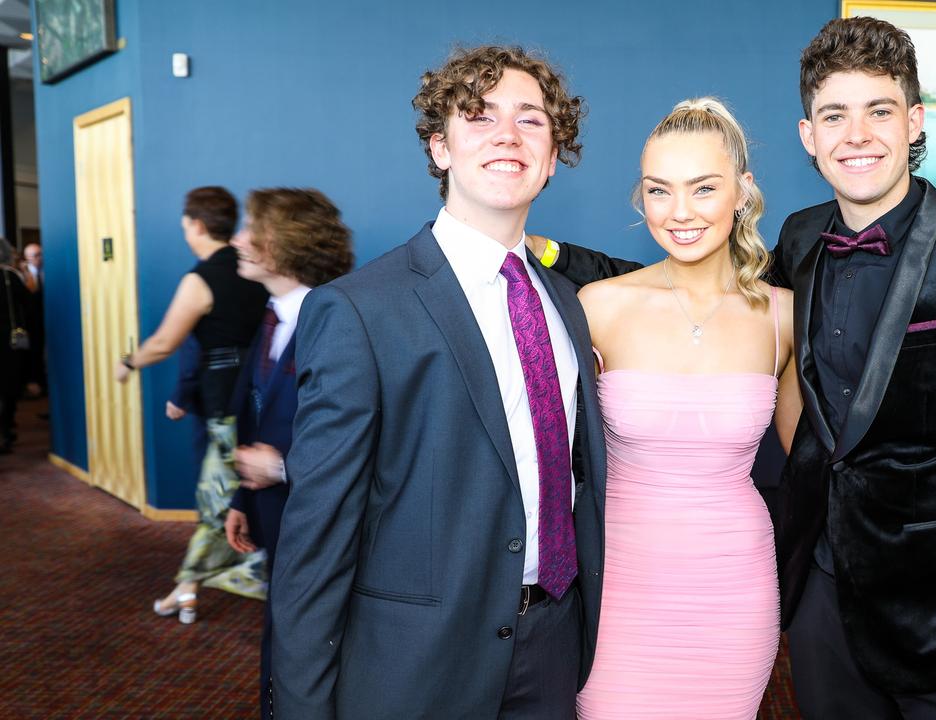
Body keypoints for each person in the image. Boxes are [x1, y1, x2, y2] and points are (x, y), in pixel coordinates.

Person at [541, 16, 936, 718]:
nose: (855, 135)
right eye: (834, 115)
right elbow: (691, 272)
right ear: (809, 136)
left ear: (914, 123)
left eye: (878, 111)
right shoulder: (801, 241)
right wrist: (543, 250)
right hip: (821, 601)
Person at [269, 45, 607, 719]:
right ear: (440, 148)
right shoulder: (361, 309)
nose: (507, 134)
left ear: (553, 152)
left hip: (553, 642)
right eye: (479, 116)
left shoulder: (566, 302)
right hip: (416, 662)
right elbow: (316, 537)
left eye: (531, 120)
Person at [567, 98, 800, 718]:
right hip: (619, 582)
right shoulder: (599, 306)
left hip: (734, 584)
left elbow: (815, 466)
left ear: (742, 193)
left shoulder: (782, 316)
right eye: (659, 191)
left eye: (703, 188)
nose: (680, 212)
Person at [216, 188, 354, 720]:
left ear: (291, 242)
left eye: (253, 228)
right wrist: (239, 500)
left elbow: (362, 437)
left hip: (320, 523)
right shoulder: (272, 316)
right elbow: (258, 417)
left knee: (309, 652)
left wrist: (278, 468)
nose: (237, 239)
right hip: (271, 515)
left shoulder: (340, 320)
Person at [117, 186, 270, 622]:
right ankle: (191, 586)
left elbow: (167, 342)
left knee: (217, 500)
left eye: (185, 225)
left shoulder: (200, 279)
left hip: (223, 404)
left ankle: (192, 586)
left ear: (197, 225)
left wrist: (128, 362)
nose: (185, 232)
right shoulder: (252, 268)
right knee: (234, 495)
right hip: (261, 396)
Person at [0, 240, 31, 453]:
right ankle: (6, 429)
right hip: (9, 342)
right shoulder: (11, 278)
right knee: (8, 388)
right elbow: (28, 305)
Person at [20, 242, 44, 397]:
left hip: (49, 321)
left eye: (39, 254)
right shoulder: (23, 276)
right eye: (34, 256)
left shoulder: (48, 271)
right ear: (27, 258)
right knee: (34, 355)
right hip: (31, 323)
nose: (38, 259)